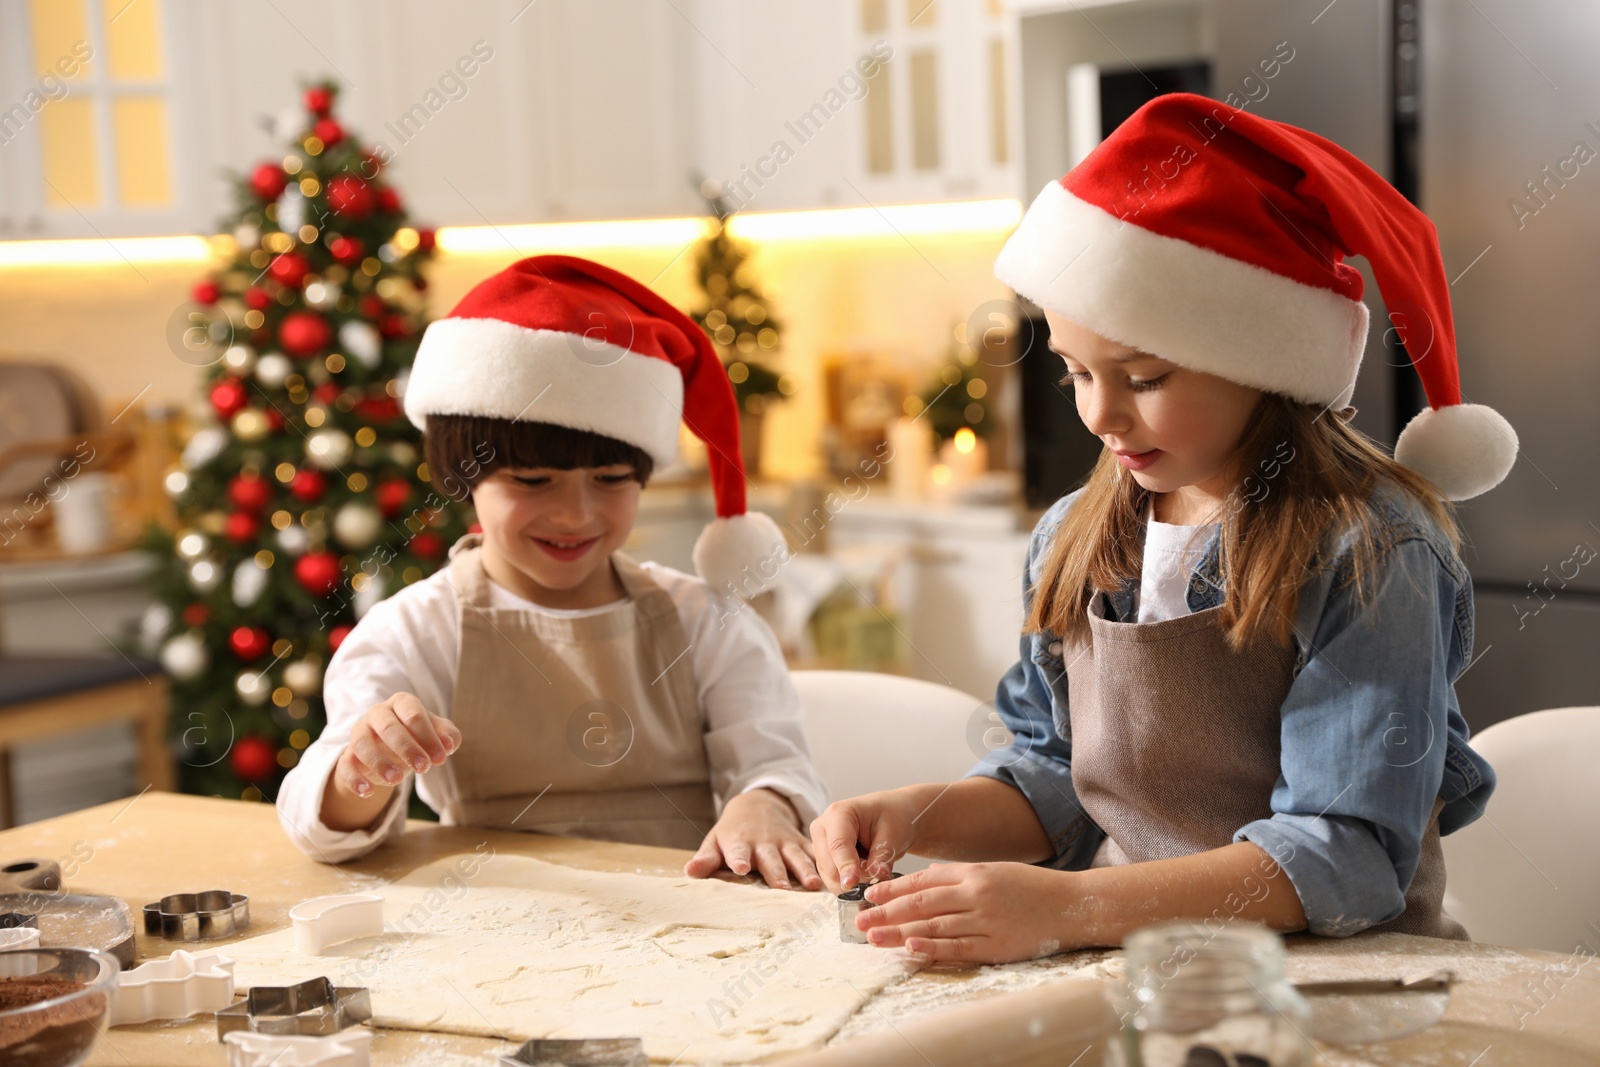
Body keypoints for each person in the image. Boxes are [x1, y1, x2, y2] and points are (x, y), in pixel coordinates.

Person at [811, 93, 1518, 962]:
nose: (1101, 414)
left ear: (1261, 362)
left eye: (1143, 376)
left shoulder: (1370, 550)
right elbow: (1057, 776)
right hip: (1136, 969)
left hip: (1340, 989)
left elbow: (1347, 852)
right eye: (1074, 372)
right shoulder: (1078, 534)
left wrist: (1069, 907)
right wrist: (913, 815)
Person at [278, 255, 827, 890]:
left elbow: (777, 763)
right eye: (532, 481)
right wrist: (360, 771)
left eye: (612, 479)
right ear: (464, 476)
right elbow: (321, 829)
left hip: (697, 924)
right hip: (500, 934)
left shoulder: (705, 622)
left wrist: (765, 802)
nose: (575, 513)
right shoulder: (414, 630)